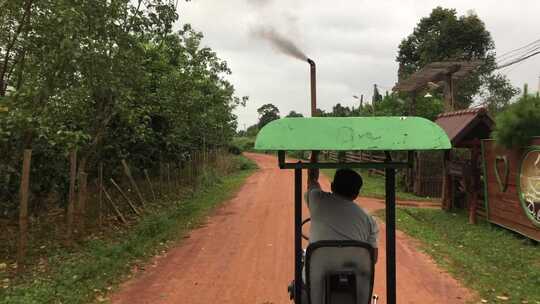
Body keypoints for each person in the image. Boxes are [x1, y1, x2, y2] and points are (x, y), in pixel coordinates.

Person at [305, 151, 379, 262]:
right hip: (352, 278)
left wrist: (314, 154)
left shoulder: (317, 199)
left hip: (315, 278)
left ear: (332, 186)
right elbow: (373, 258)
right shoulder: (369, 220)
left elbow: (312, 178)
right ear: (356, 194)